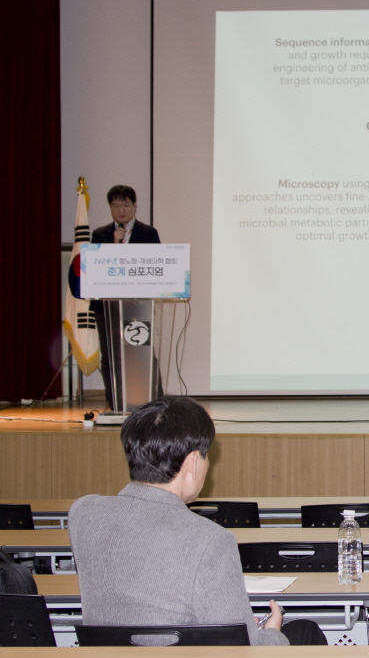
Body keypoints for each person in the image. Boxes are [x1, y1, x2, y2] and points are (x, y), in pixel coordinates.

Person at [68, 396, 326, 646]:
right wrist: (272, 634)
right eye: (206, 456)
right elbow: (241, 649)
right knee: (305, 632)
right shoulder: (211, 539)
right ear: (192, 462)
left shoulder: (83, 514)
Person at [89, 185, 161, 410]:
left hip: (137, 305)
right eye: (115, 205)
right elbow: (94, 269)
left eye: (125, 205)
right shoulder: (100, 234)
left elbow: (156, 266)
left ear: (135, 206)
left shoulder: (148, 233)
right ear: (110, 207)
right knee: (110, 355)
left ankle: (153, 401)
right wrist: (113, 246)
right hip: (106, 306)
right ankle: (115, 402)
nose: (121, 210)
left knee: (142, 352)